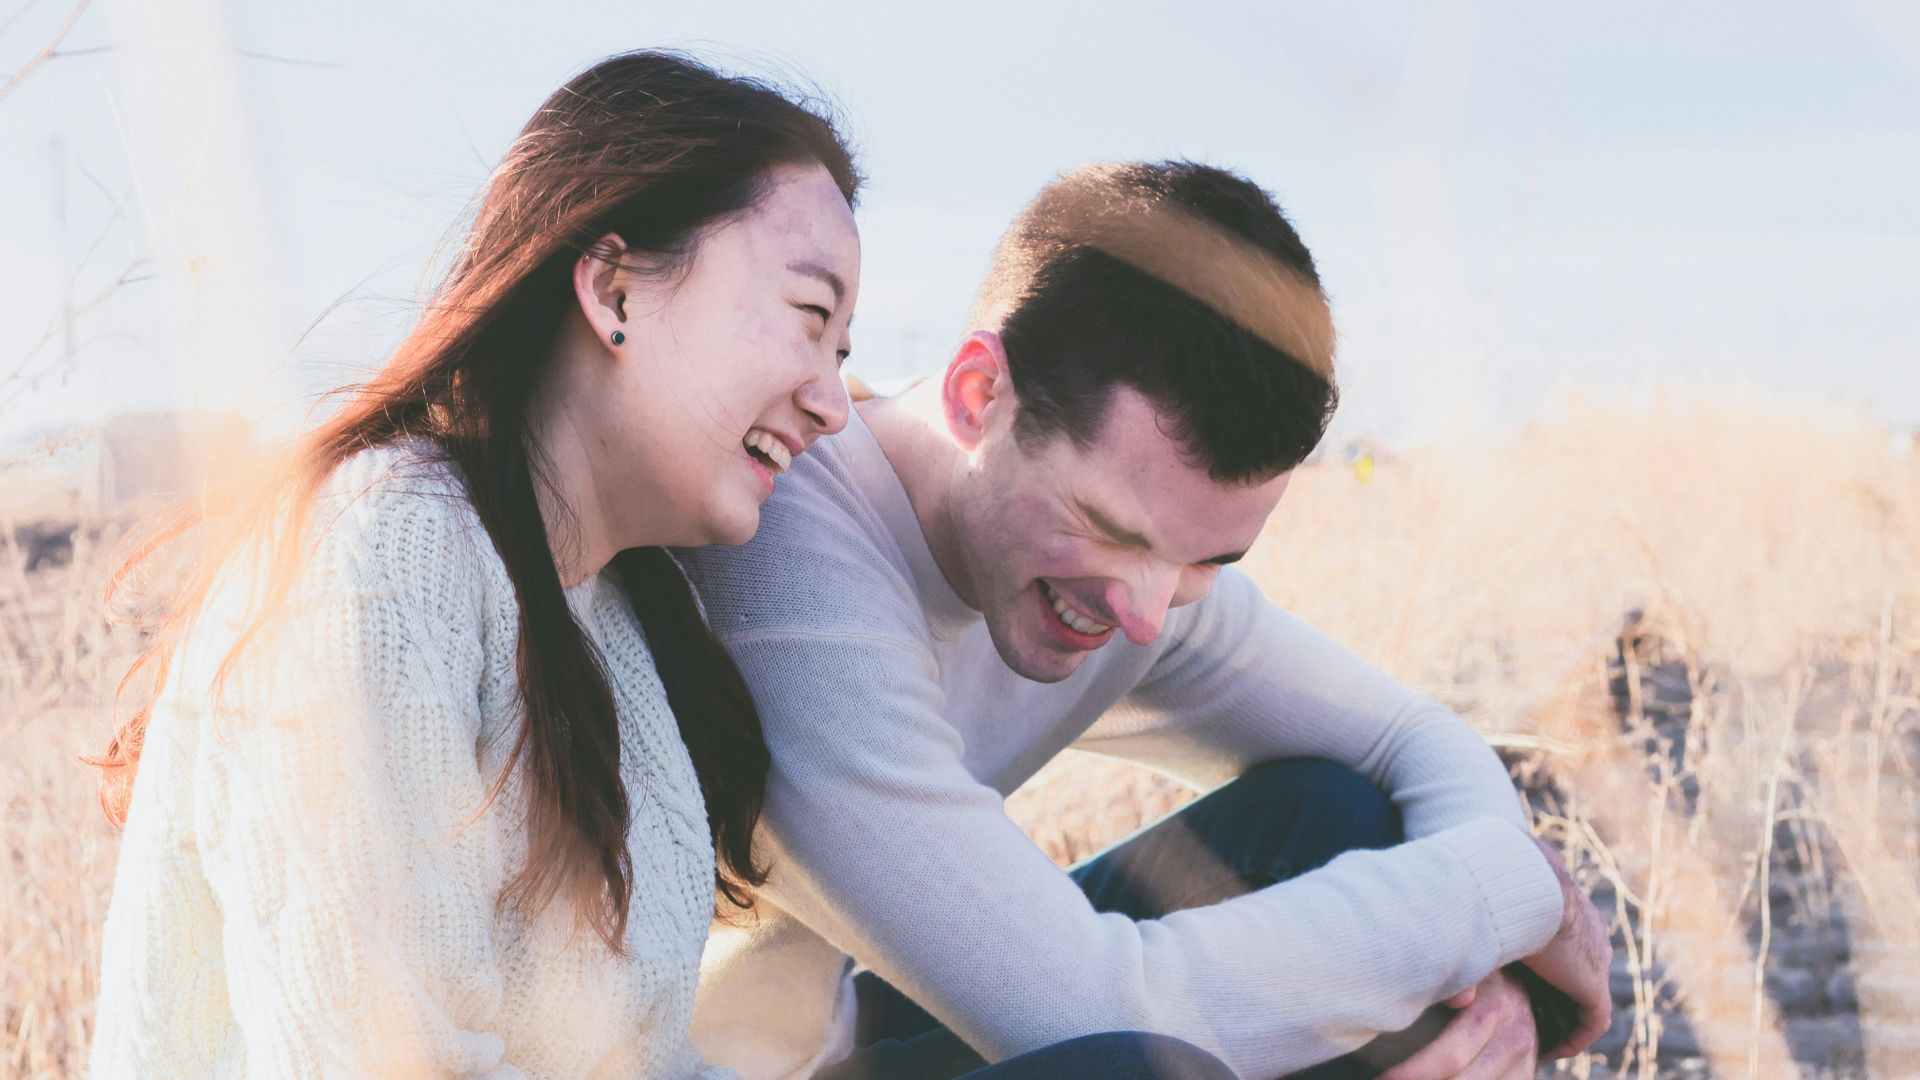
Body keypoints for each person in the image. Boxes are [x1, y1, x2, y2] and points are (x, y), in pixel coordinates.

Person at [675, 160, 1614, 1080]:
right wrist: (1507, 896)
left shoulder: (1131, 576)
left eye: (1208, 559)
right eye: (1109, 530)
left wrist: (1489, 963)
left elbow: (1412, 735)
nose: (1145, 612)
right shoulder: (786, 562)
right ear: (979, 395)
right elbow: (1094, 1015)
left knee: (1340, 814)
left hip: (846, 1035)